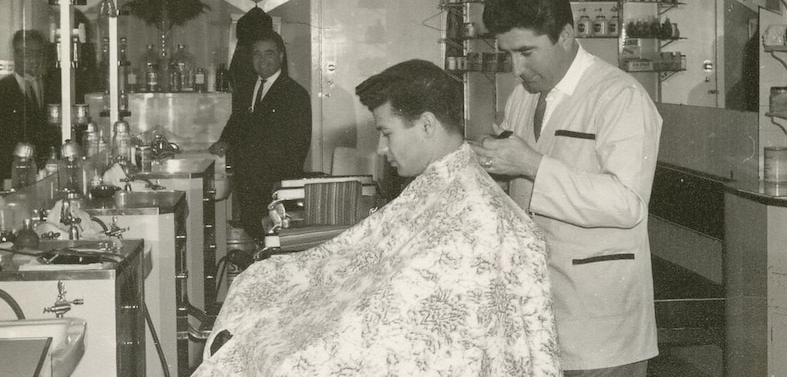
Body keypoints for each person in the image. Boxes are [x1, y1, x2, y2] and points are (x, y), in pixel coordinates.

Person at [192, 59, 560, 376]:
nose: (382, 149)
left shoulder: (475, 218)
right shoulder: (440, 183)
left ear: (427, 125)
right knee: (258, 292)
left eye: (386, 133)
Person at [473, 0, 662, 376]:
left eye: (526, 52)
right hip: (538, 309)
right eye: (507, 53)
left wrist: (530, 165)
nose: (516, 67)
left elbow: (627, 204)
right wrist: (494, 166)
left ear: (565, 35)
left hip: (601, 320)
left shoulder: (620, 97)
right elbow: (523, 195)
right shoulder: (522, 98)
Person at [209, 29, 311, 244]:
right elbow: (237, 122)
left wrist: (277, 191)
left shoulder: (295, 94)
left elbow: (297, 148)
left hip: (273, 187)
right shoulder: (246, 89)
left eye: (269, 53)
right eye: (257, 53)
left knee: (273, 241)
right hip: (247, 183)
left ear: (281, 57)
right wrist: (225, 140)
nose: (262, 59)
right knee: (254, 233)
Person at [0, 30, 53, 182]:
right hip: (13, 175)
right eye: (26, 53)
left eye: (36, 53)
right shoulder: (3, 89)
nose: (32, 59)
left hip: (46, 172)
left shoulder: (50, 85)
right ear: (15, 54)